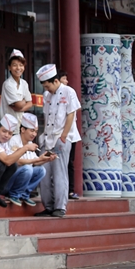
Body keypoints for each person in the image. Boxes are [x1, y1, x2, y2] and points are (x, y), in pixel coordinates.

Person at [35, 64, 81, 218]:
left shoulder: (69, 92)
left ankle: (60, 207)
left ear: (55, 81)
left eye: (48, 86)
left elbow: (71, 114)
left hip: (61, 138)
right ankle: (48, 206)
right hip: (47, 138)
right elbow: (46, 117)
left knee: (60, 172)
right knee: (44, 172)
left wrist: (64, 136)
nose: (46, 89)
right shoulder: (47, 96)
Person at [2, 112, 54, 206]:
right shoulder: (14, 140)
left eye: (36, 131)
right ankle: (14, 194)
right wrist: (37, 160)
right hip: (8, 181)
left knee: (41, 170)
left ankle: (24, 194)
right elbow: (17, 162)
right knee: (27, 169)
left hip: (20, 178)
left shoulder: (29, 143)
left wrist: (45, 159)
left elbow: (35, 162)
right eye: (32, 131)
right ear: (23, 129)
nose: (34, 134)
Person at [58, 70, 81, 200]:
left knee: (69, 163)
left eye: (66, 79)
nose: (66, 81)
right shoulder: (50, 94)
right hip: (57, 135)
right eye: (64, 79)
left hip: (71, 135)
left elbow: (75, 109)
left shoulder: (70, 92)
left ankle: (70, 190)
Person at [0, 49, 33, 122]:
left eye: (21, 65)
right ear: (9, 67)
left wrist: (20, 108)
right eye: (15, 65)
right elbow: (19, 105)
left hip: (20, 122)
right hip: (8, 123)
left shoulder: (24, 83)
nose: (18, 68)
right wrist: (24, 101)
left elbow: (30, 103)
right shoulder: (8, 84)